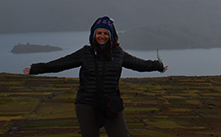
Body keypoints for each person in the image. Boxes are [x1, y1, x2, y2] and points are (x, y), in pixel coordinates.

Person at [24, 16, 168, 137]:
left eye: (106, 33)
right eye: (99, 33)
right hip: (86, 104)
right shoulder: (85, 52)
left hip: (111, 104)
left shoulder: (118, 53)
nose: (102, 36)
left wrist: (158, 66)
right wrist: (35, 69)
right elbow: (60, 64)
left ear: (111, 36)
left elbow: (139, 64)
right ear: (93, 34)